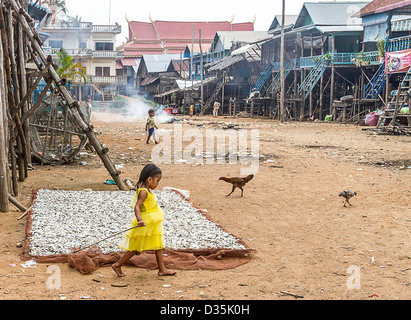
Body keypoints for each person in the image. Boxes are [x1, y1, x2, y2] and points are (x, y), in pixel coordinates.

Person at [112, 164, 176, 277]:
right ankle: (117, 265)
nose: (158, 183)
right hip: (146, 223)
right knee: (136, 248)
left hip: (152, 222)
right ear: (149, 179)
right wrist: (140, 220)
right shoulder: (144, 192)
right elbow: (137, 206)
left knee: (158, 246)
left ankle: (162, 269)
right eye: (157, 180)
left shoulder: (147, 189)